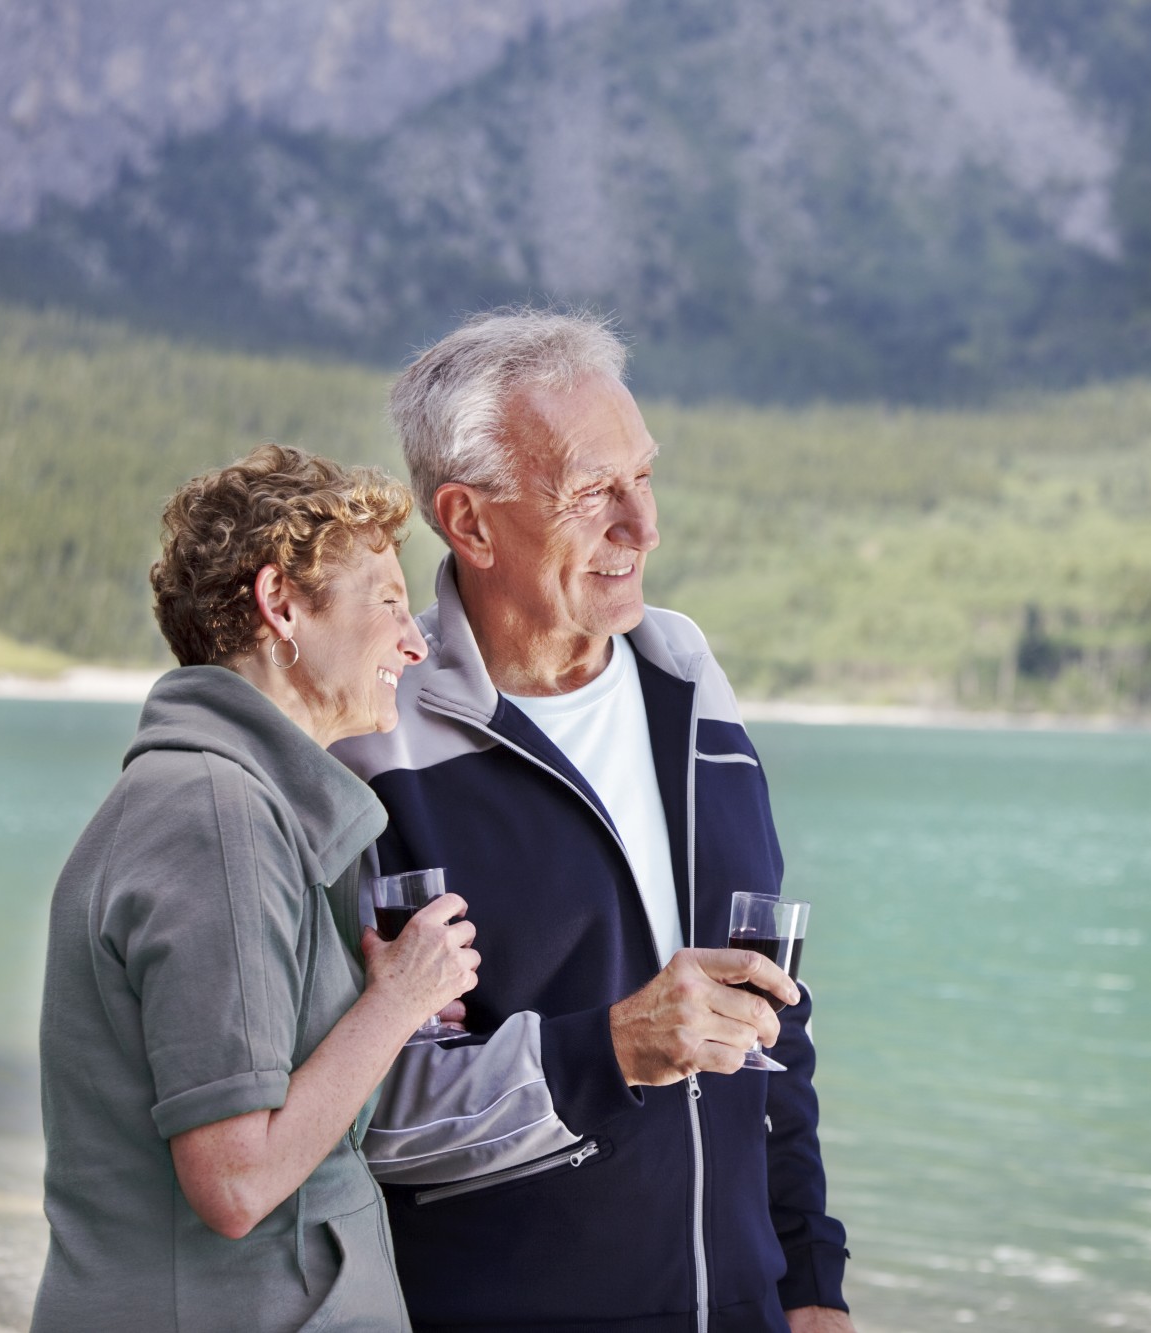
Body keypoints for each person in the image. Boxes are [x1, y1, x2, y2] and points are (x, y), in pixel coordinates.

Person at [332, 312, 854, 1333]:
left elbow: (772, 1019)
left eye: (644, 477)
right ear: (468, 522)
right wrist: (609, 1049)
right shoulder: (370, 751)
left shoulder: (691, 684)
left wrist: (809, 1282)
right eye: (589, 492)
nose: (643, 526)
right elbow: (362, 1117)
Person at [33, 445, 482, 1332]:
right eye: (388, 602)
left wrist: (384, 1012)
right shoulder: (217, 818)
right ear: (282, 604)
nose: (415, 639)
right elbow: (236, 1182)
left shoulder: (226, 800)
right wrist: (395, 1003)